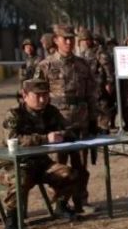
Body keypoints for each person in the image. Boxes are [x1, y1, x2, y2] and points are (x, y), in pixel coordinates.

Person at [0, 79, 82, 229]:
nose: (42, 100)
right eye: (37, 96)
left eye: (45, 95)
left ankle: (61, 206)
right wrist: (44, 139)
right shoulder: (14, 114)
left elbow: (69, 130)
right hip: (13, 164)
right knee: (19, 179)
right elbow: (13, 139)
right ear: (25, 95)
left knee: (69, 174)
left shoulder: (51, 111)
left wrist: (61, 135)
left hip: (40, 164)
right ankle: (12, 219)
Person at [35, 25, 96, 214]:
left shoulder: (82, 64)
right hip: (58, 124)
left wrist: (94, 120)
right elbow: (37, 96)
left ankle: (81, 201)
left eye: (71, 38)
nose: (69, 42)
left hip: (80, 122)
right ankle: (61, 203)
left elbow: (91, 94)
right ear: (56, 40)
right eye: (64, 38)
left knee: (81, 166)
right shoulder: (46, 65)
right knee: (58, 167)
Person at [80, 31, 117, 133]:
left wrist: (109, 83)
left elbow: (108, 68)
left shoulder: (99, 52)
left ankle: (105, 129)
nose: (86, 43)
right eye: (83, 40)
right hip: (87, 86)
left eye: (87, 40)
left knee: (103, 108)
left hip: (99, 85)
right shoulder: (82, 54)